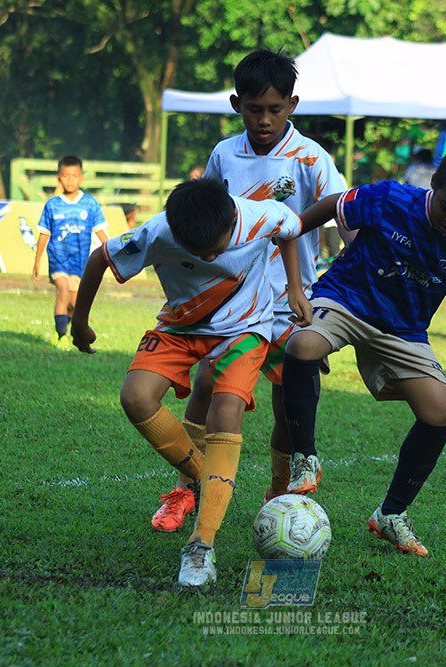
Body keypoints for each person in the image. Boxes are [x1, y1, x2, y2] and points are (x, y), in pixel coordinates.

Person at [281, 147, 446, 557]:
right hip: (347, 298)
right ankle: (305, 457)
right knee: (303, 344)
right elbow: (333, 206)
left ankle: (391, 514)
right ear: (433, 184)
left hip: (404, 330)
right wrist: (296, 224)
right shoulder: (390, 198)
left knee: (440, 414)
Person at [69, 178, 310, 586]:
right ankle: (207, 478)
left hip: (244, 329)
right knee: (135, 397)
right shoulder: (159, 230)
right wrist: (79, 322)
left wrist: (295, 288)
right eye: (197, 253)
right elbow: (99, 258)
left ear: (232, 218)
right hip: (180, 326)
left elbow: (291, 230)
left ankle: (201, 545)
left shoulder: (257, 214)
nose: (210, 257)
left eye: (217, 249)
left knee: (226, 409)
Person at [148, 47, 349, 533]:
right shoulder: (224, 153)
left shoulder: (311, 158)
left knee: (288, 400)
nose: (264, 119)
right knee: (205, 387)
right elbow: (207, 214)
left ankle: (279, 494)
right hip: (232, 299)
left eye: (274, 109)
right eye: (254, 109)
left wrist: (333, 294)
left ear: (293, 105)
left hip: (288, 304)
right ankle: (186, 488)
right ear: (237, 103)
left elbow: (344, 214)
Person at [33, 155, 110, 349]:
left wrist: (112, 253)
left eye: (74, 176)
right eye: (65, 176)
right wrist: (37, 261)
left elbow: (100, 230)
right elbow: (44, 233)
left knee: (74, 304)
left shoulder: (90, 204)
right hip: (58, 260)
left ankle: (68, 333)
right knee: (63, 291)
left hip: (81, 262)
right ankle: (61, 337)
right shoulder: (52, 205)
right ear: (59, 178)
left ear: (81, 178)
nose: (70, 180)